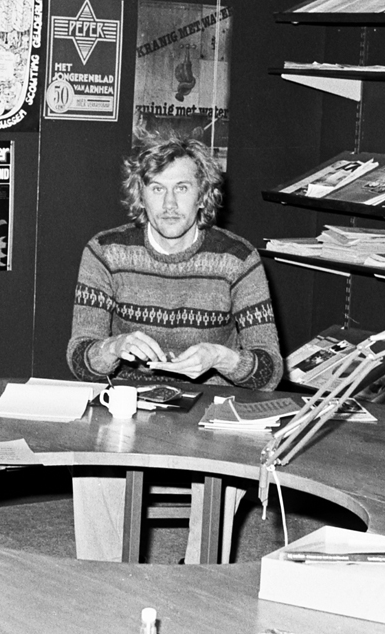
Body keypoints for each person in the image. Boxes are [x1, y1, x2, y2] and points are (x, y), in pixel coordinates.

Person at [66, 129, 282, 563]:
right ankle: (102, 578)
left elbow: (270, 370)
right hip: (129, 404)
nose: (169, 204)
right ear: (140, 194)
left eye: (182, 188)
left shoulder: (237, 258)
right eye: (156, 188)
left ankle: (197, 576)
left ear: (203, 194)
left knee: (224, 470)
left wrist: (221, 357)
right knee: (93, 465)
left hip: (211, 410)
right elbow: (79, 358)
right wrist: (115, 346)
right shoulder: (105, 251)